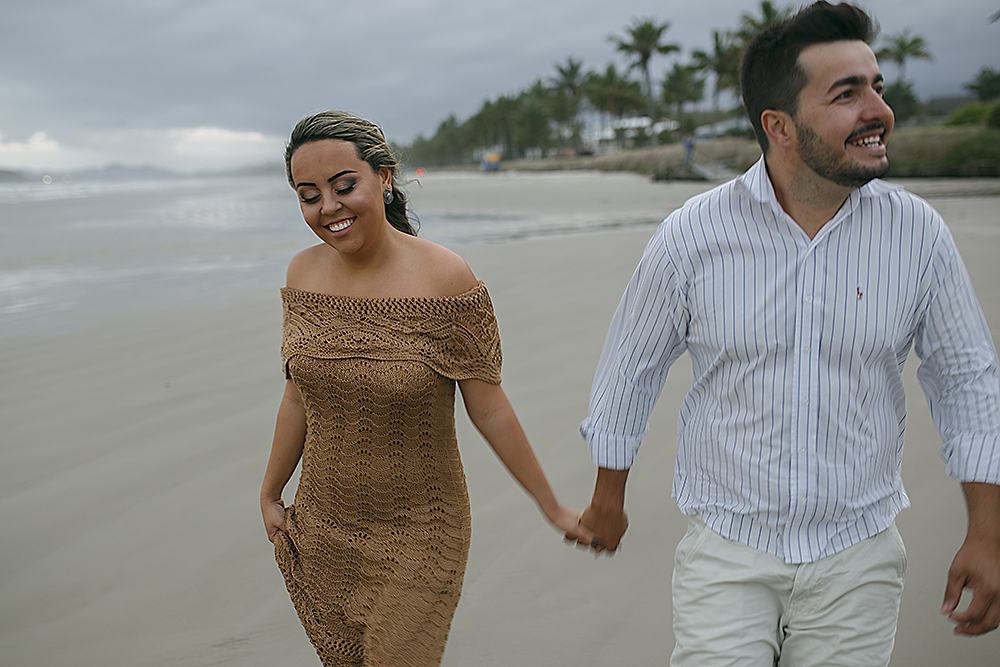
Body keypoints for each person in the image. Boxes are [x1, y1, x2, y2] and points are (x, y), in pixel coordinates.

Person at [573, 3, 1000, 665]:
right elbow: (630, 368)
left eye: (876, 86)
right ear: (779, 125)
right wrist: (608, 497)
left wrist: (988, 533)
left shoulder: (918, 235)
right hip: (727, 546)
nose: (878, 108)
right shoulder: (693, 235)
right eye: (847, 93)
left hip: (858, 552)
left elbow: (968, 381)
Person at [260, 110, 593, 667]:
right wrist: (271, 491)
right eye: (308, 195)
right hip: (323, 526)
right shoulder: (302, 275)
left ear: (384, 178)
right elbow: (297, 397)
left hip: (420, 529)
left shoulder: (446, 279)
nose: (328, 208)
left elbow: (491, 408)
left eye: (345, 186)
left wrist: (552, 506)